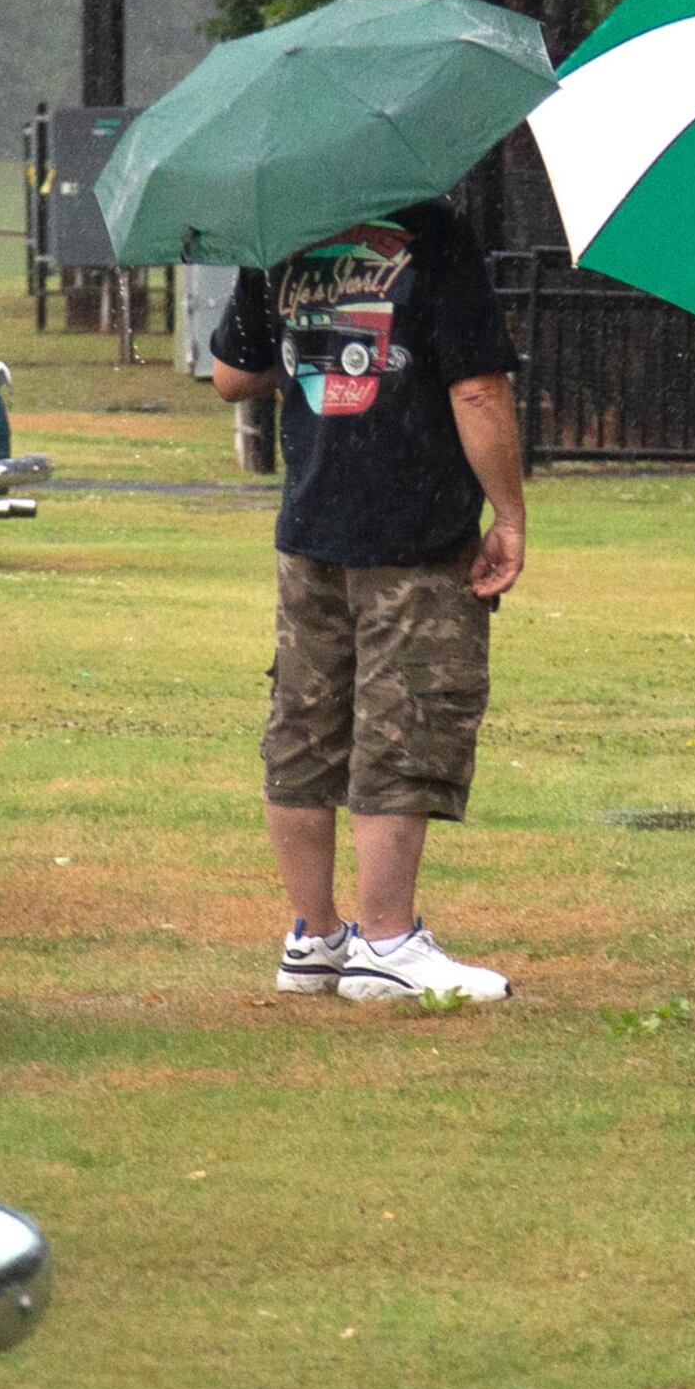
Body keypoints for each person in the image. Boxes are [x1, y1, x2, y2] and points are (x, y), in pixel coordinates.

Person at [208, 196, 526, 1006]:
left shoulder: (276, 228)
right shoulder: (436, 230)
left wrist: (310, 324)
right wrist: (510, 515)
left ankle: (313, 936)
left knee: (305, 723)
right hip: (414, 525)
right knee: (406, 718)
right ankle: (386, 941)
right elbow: (479, 392)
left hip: (311, 523)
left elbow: (231, 374)